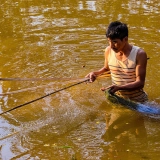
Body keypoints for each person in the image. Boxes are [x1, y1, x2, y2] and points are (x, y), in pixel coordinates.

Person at [86, 21, 148, 102]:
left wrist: (120, 87)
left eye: (115, 42)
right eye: (109, 41)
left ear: (125, 39)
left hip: (138, 102)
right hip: (117, 99)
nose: (111, 46)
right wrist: (94, 73)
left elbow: (140, 83)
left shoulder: (139, 54)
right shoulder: (108, 50)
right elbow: (106, 69)